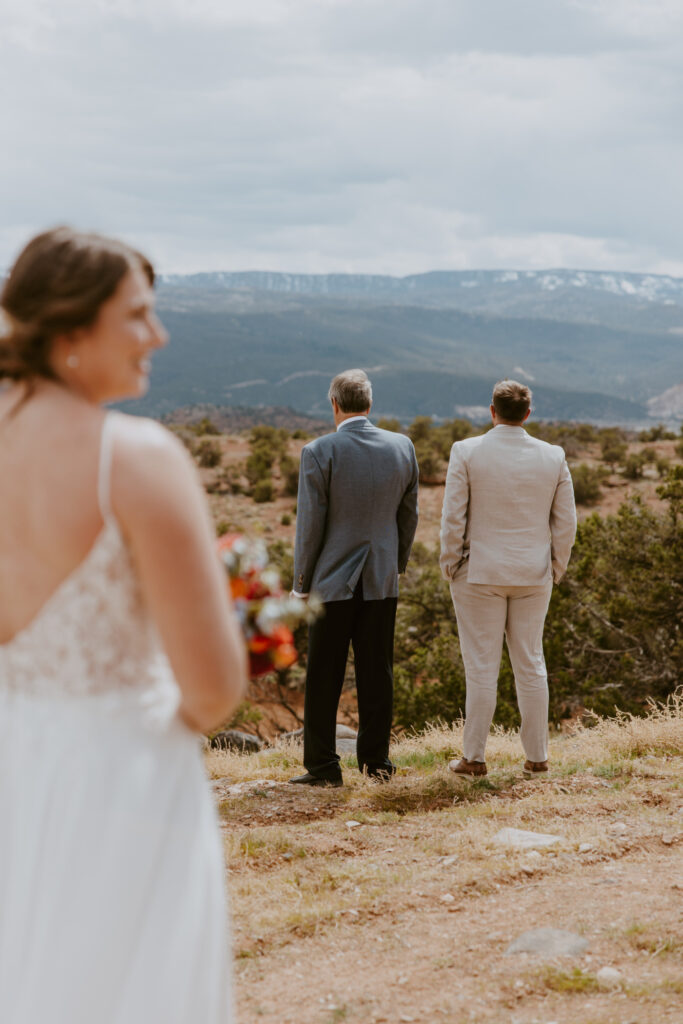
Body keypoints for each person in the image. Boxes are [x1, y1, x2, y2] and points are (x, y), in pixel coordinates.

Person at [0, 227, 248, 1023]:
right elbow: (212, 692)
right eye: (137, 316)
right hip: (123, 777)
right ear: (71, 330)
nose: (158, 336)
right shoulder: (135, 460)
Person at [440, 379, 576, 779]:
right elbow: (566, 521)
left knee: (481, 666)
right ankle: (537, 758)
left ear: (492, 411)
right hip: (534, 574)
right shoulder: (553, 456)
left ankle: (474, 758)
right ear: (528, 414)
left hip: (478, 573)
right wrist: (557, 565)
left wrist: (451, 562)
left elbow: (453, 516)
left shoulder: (466, 451)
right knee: (531, 662)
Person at [289, 369, 419, 786]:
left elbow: (310, 526)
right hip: (382, 579)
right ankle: (377, 764)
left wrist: (300, 584)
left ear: (334, 404)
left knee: (324, 675)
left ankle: (324, 768)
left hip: (330, 582)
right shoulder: (403, 447)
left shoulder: (318, 451)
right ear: (369, 403)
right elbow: (408, 515)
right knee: (377, 673)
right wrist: (395, 563)